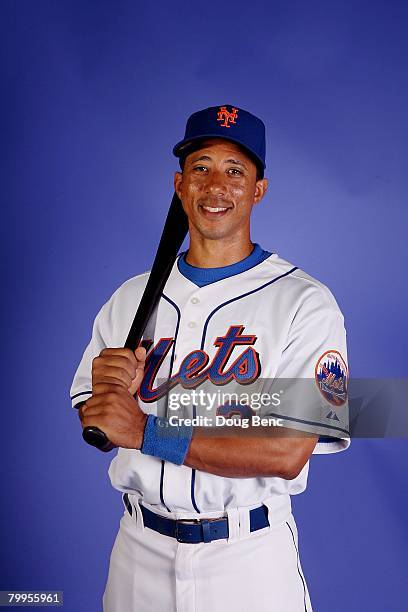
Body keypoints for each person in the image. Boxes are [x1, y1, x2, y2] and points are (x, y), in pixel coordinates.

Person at [71, 105, 350, 612]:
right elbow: (96, 418)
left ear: (258, 190)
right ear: (180, 185)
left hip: (248, 559)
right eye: (201, 167)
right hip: (138, 550)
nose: (215, 184)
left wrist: (145, 431)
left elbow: (288, 455)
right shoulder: (130, 298)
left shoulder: (305, 303)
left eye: (235, 170)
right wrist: (106, 396)